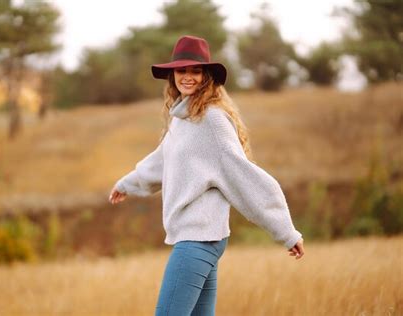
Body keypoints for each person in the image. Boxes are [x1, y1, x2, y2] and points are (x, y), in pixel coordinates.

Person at [108, 35, 304, 316]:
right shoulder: (182, 118)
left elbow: (245, 177)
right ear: (172, 75)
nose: (187, 76)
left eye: (195, 70)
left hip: (198, 239)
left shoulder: (211, 120)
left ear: (206, 76)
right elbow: (162, 160)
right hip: (202, 238)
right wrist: (128, 183)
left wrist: (286, 231)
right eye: (181, 70)